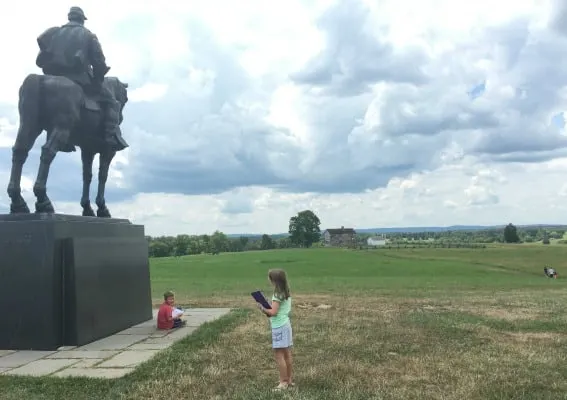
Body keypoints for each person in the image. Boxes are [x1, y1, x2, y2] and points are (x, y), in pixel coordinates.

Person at [35, 6, 126, 152]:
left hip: (51, 76)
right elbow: (99, 61)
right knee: (112, 102)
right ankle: (111, 137)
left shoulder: (54, 32)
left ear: (70, 17)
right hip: (78, 77)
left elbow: (40, 60)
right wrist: (98, 77)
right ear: (82, 20)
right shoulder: (88, 35)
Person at [257, 269, 294, 391]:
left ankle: (283, 382)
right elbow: (277, 308)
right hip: (286, 324)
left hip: (279, 326)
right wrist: (270, 304)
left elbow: (273, 312)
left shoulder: (276, 294)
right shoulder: (285, 291)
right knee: (287, 354)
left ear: (274, 280)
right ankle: (288, 380)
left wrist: (263, 308)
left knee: (279, 355)